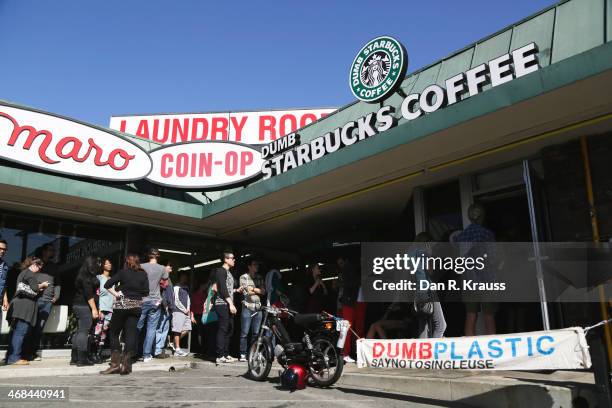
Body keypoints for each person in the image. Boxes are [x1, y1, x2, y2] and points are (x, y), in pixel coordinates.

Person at [101, 254, 149, 375]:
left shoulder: (123, 273)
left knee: (114, 333)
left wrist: (117, 293)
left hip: (122, 305)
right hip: (136, 306)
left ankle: (115, 365)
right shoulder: (143, 274)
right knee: (131, 334)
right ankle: (126, 366)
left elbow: (107, 285)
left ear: (127, 262)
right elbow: (146, 292)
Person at [454, 203, 497, 336]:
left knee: (470, 315)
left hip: (469, 281)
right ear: (482, 216)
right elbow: (493, 258)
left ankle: (470, 348)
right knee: (489, 315)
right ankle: (492, 347)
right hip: (486, 279)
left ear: (469, 217)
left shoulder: (461, 237)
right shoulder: (487, 234)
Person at [5, 257, 48, 365]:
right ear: (34, 265)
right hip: (25, 307)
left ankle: (10, 356)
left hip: (18, 306)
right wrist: (42, 286)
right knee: (21, 332)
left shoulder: (23, 273)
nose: (39, 270)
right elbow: (34, 288)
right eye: (39, 267)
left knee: (16, 332)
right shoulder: (30, 274)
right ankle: (14, 358)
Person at [24, 243, 61, 362]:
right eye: (50, 250)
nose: (52, 252)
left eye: (53, 250)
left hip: (47, 301)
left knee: (39, 328)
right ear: (44, 251)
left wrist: (56, 296)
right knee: (29, 326)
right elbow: (27, 278)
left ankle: (32, 353)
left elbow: (58, 282)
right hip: (35, 299)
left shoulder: (54, 266)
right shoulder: (36, 263)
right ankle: (24, 353)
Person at [413, 232, 447, 339]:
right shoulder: (424, 254)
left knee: (424, 326)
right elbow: (431, 272)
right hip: (428, 291)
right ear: (426, 243)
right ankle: (432, 352)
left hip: (418, 293)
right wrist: (430, 255)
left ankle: (423, 353)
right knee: (441, 325)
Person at [137, 248, 168, 362]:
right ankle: (146, 355)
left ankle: (132, 351)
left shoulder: (141, 266)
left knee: (137, 327)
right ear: (158, 256)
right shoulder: (162, 268)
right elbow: (165, 284)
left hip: (142, 300)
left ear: (148, 255)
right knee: (151, 329)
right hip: (155, 301)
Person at [71, 256, 100, 366]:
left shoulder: (81, 275)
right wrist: (94, 309)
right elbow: (89, 295)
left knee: (79, 331)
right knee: (84, 331)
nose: (99, 265)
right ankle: (82, 359)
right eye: (97, 263)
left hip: (78, 305)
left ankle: (74, 358)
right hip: (84, 306)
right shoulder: (86, 278)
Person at [238, 258, 265, 362]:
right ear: (249, 266)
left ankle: (253, 353)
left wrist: (252, 289)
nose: (256, 266)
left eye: (257, 265)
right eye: (254, 264)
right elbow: (246, 292)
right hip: (247, 307)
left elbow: (263, 291)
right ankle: (243, 354)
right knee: (244, 333)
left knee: (256, 333)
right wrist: (257, 290)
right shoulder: (243, 277)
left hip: (258, 308)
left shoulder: (259, 277)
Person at [336, 255, 362, 363]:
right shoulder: (349, 270)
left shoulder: (346, 270)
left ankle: (345, 353)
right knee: (346, 328)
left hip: (348, 302)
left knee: (346, 328)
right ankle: (345, 354)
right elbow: (352, 284)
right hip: (349, 302)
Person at [213, 249, 237, 364]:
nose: (234, 260)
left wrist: (236, 290)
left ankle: (226, 354)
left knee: (230, 329)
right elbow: (222, 289)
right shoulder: (220, 271)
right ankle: (219, 355)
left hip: (228, 303)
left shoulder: (228, 272)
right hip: (222, 304)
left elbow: (227, 288)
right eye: (232, 258)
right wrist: (231, 303)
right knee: (223, 328)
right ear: (226, 259)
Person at [94, 258, 114, 362]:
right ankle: (94, 353)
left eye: (110, 263)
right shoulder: (98, 278)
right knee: (98, 331)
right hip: (101, 308)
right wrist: (98, 308)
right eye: (107, 263)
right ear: (103, 266)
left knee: (104, 332)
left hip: (110, 309)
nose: (109, 265)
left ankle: (99, 353)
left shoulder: (112, 279)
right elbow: (96, 294)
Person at [172, 272, 195, 357]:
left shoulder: (186, 288)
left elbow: (188, 299)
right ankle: (177, 349)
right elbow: (176, 300)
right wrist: (184, 309)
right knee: (177, 330)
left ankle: (173, 343)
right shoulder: (176, 287)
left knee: (187, 329)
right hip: (178, 311)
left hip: (186, 312)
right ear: (180, 277)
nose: (185, 278)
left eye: (186, 277)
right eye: (183, 276)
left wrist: (188, 309)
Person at [154, 262, 174, 359]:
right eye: (169, 266)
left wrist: (171, 306)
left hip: (169, 308)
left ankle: (160, 349)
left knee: (165, 329)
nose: (171, 268)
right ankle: (157, 350)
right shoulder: (162, 278)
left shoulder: (169, 279)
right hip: (163, 307)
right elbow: (160, 294)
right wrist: (165, 305)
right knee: (160, 328)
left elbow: (170, 295)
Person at [190, 280, 207, 357]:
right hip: (198, 315)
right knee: (199, 333)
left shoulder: (204, 294)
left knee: (201, 333)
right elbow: (192, 306)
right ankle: (200, 349)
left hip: (203, 315)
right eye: (205, 285)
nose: (206, 287)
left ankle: (202, 349)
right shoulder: (197, 294)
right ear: (201, 286)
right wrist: (192, 316)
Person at [0, 240, 9, 327]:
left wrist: (5, 299)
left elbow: (4, 284)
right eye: (0, 248)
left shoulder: (5, 266)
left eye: (4, 249)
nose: (2, 251)